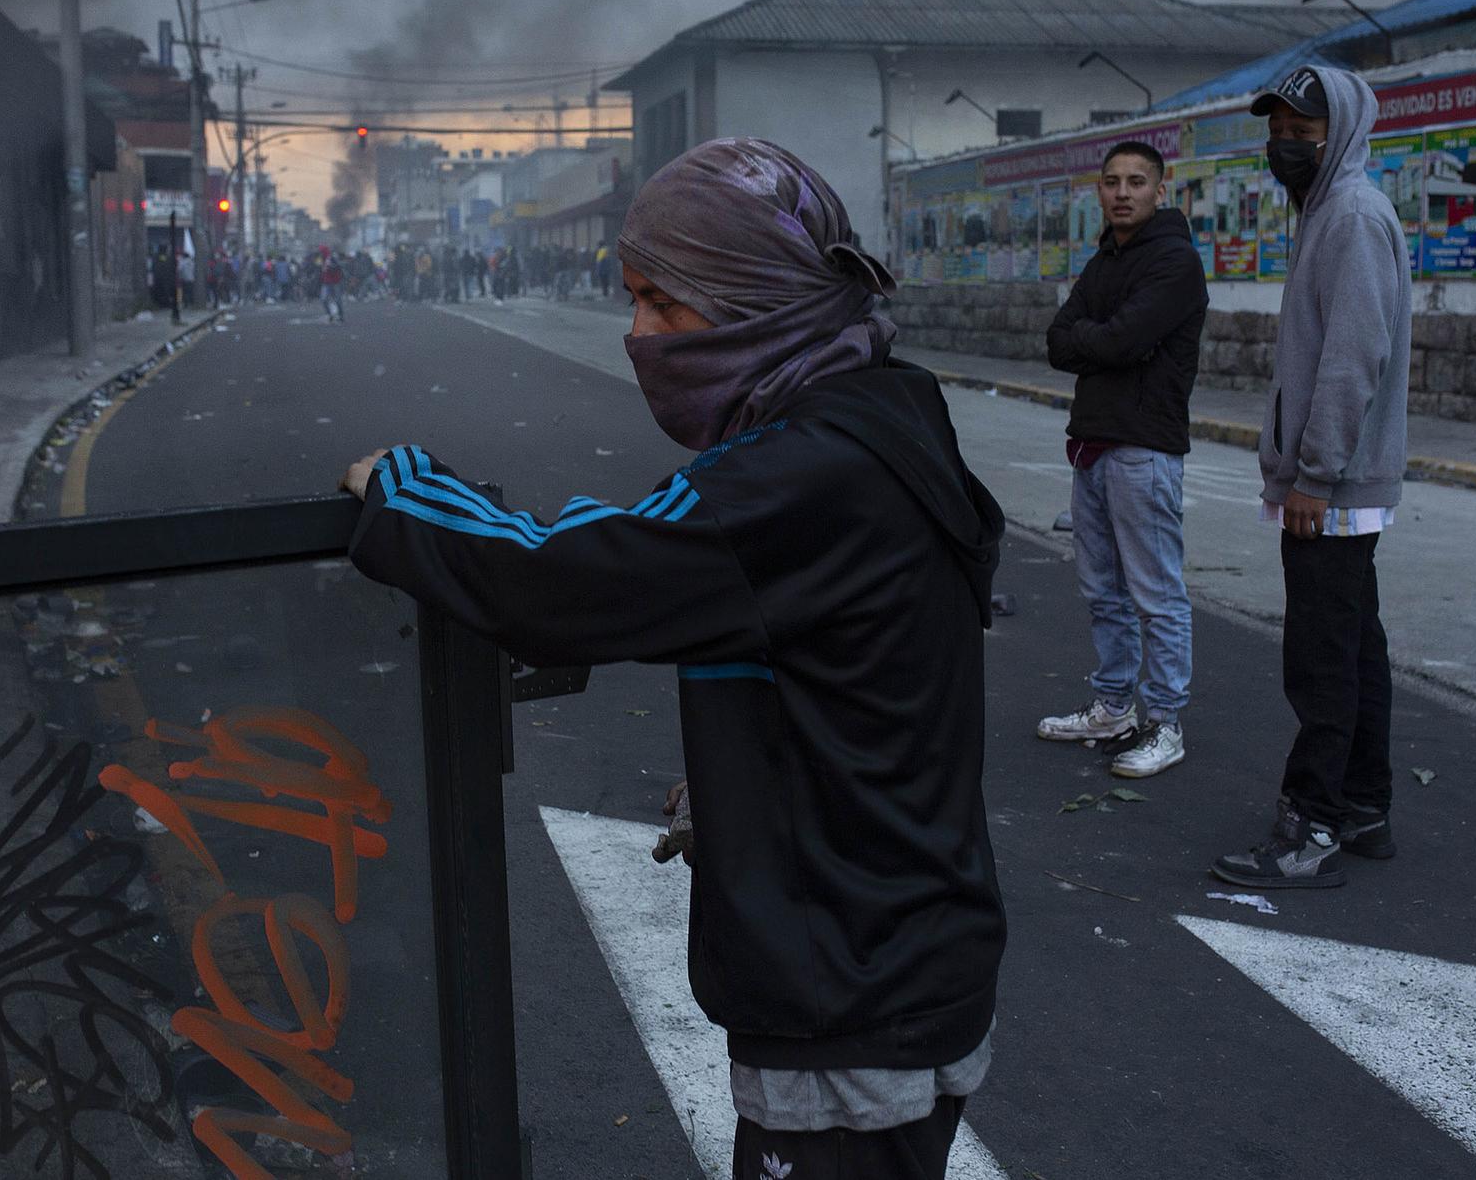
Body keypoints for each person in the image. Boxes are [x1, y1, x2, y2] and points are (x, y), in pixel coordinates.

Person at [341, 138, 1004, 1180]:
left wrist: (404, 485)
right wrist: (754, 774)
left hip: (850, 986)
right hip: (902, 947)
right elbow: (850, 659)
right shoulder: (881, 409)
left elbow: (560, 579)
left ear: (753, 300)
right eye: (631, 298)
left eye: (663, 302)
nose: (636, 333)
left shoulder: (794, 473)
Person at [1211, 65, 1412, 891]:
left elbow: (1351, 360)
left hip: (1334, 486)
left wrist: (1314, 477)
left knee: (1321, 660)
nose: (1286, 145)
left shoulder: (1353, 217)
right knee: (1356, 648)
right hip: (1337, 482)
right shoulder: (1327, 211)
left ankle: (1311, 826)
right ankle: (1363, 808)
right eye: (1279, 130)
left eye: (1304, 131)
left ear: (1343, 134)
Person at [1039, 141, 1207, 778]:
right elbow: (1061, 341)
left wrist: (1103, 341)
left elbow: (1122, 339)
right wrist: (1102, 342)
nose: (1123, 192)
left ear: (1161, 191)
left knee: (1156, 594)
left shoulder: (1175, 262)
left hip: (1144, 449)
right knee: (1102, 590)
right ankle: (1114, 705)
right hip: (1091, 444)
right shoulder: (1104, 258)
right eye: (1111, 182)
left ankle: (1165, 722)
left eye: (1137, 181)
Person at [318, 245, 346, 322]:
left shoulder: (331, 258)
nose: (320, 253)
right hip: (326, 282)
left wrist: (330, 267)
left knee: (337, 299)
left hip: (335, 282)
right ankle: (330, 314)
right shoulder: (322, 260)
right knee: (324, 299)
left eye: (321, 252)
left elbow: (338, 267)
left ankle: (340, 315)